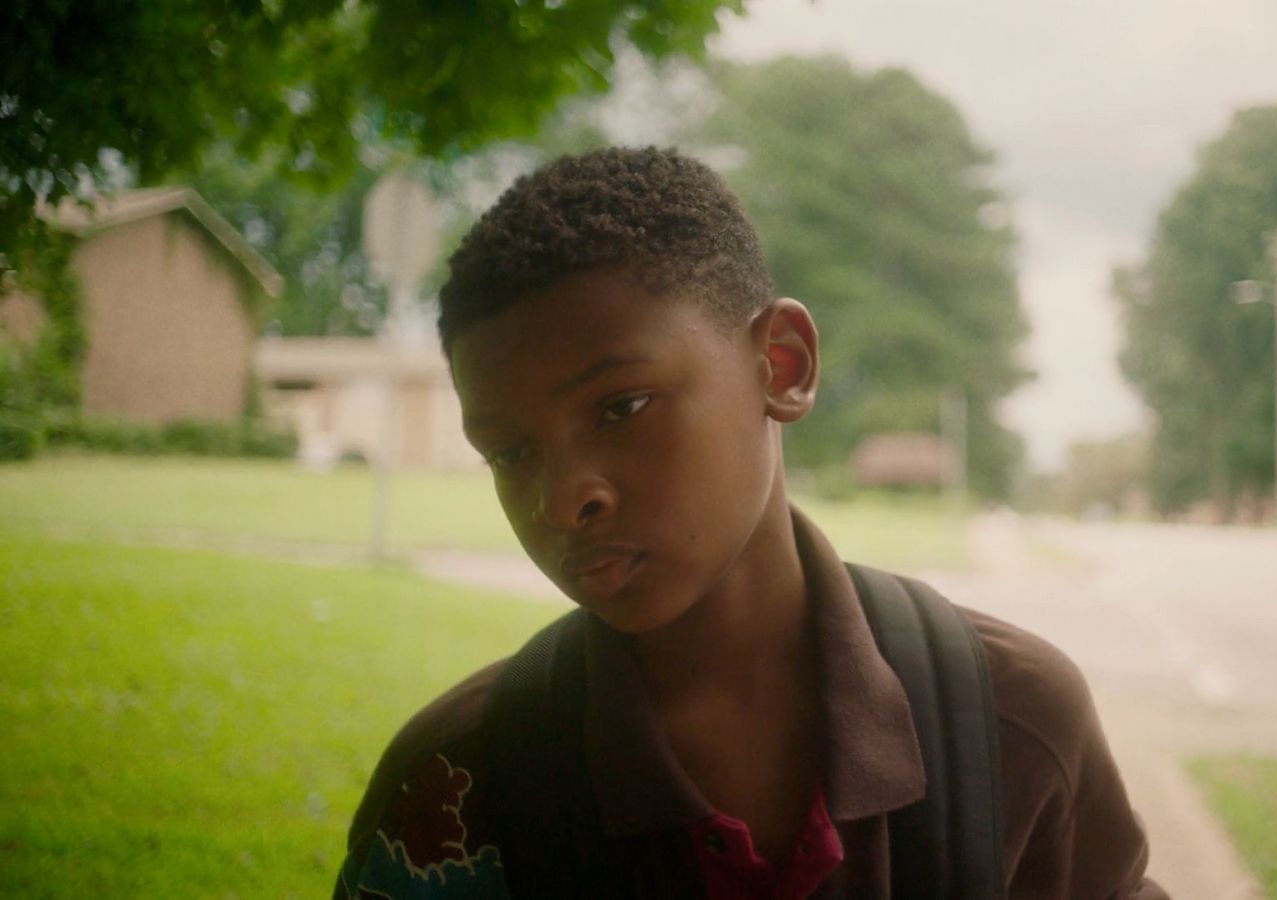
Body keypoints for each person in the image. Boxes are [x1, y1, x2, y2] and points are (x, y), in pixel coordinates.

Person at [333, 146, 1167, 899]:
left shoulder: (1011, 725)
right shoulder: (453, 793)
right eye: (511, 452)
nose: (562, 500)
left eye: (621, 407)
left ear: (783, 365)